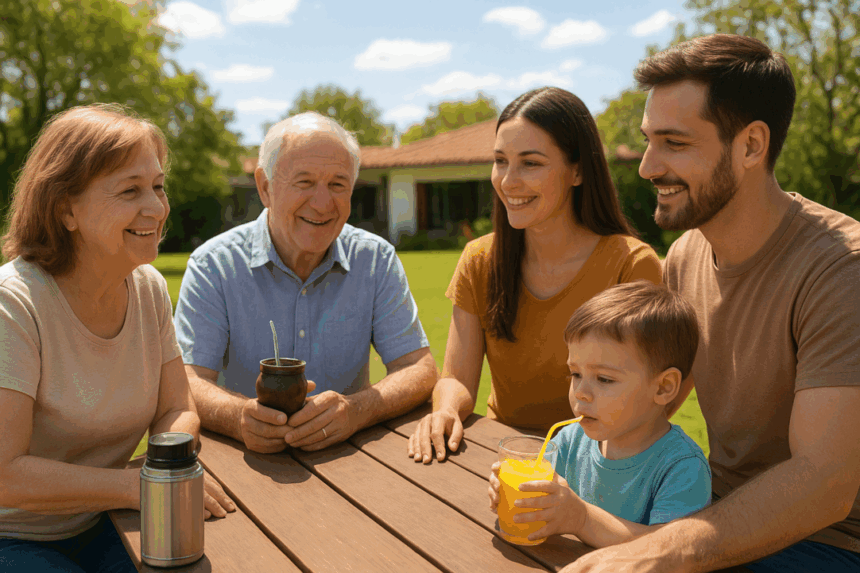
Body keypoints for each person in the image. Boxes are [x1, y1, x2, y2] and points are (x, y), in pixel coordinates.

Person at [562, 34, 860, 573]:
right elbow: (652, 397)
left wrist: (656, 551)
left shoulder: (842, 270)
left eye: (674, 144)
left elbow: (825, 482)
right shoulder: (686, 255)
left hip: (827, 544)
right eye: (649, 141)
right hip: (715, 509)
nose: (647, 167)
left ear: (750, 146)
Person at [0, 104, 234, 573]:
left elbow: (177, 407)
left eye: (158, 186)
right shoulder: (14, 304)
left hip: (106, 521)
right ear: (66, 210)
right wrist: (135, 486)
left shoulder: (148, 287)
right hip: (13, 537)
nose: (157, 208)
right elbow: (5, 474)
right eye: (130, 190)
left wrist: (166, 472)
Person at [407, 87, 663, 464]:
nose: (508, 181)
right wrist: (445, 410)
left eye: (530, 163)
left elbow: (645, 403)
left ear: (577, 171)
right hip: (503, 456)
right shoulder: (479, 260)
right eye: (500, 161)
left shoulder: (632, 265)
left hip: (598, 465)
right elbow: (457, 379)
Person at [173, 111, 437, 455]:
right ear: (265, 187)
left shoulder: (375, 259)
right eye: (305, 182)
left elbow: (418, 367)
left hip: (348, 463)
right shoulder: (213, 265)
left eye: (338, 184)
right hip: (244, 464)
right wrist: (238, 417)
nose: (323, 203)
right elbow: (187, 380)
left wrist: (358, 410)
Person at [488, 281, 711, 546]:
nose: (581, 392)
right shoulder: (570, 441)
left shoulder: (682, 467)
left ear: (663, 387)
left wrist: (582, 520)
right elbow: (546, 504)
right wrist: (520, 499)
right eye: (575, 374)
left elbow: (671, 550)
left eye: (604, 379)